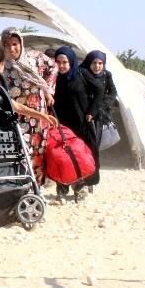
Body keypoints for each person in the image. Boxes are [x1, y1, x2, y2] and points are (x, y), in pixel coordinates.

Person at [0, 28, 58, 182]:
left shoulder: (35, 58)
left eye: (15, 44)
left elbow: (53, 67)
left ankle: (36, 189)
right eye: (7, 45)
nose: (12, 48)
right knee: (20, 152)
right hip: (17, 117)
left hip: (39, 116)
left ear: (20, 43)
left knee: (38, 152)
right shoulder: (3, 66)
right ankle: (22, 188)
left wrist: (48, 90)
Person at [52, 46, 101, 200]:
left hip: (81, 124)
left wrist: (92, 112)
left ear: (71, 62)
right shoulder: (53, 78)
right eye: (58, 62)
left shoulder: (82, 74)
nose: (61, 66)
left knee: (81, 156)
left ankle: (82, 187)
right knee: (62, 156)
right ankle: (62, 188)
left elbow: (100, 90)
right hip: (63, 125)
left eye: (65, 62)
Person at [80, 50, 117, 192]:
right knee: (83, 148)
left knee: (94, 149)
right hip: (84, 116)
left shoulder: (106, 76)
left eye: (100, 63)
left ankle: (91, 180)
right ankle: (82, 179)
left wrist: (101, 106)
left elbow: (112, 93)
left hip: (98, 117)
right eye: (94, 63)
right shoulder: (82, 75)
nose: (97, 66)